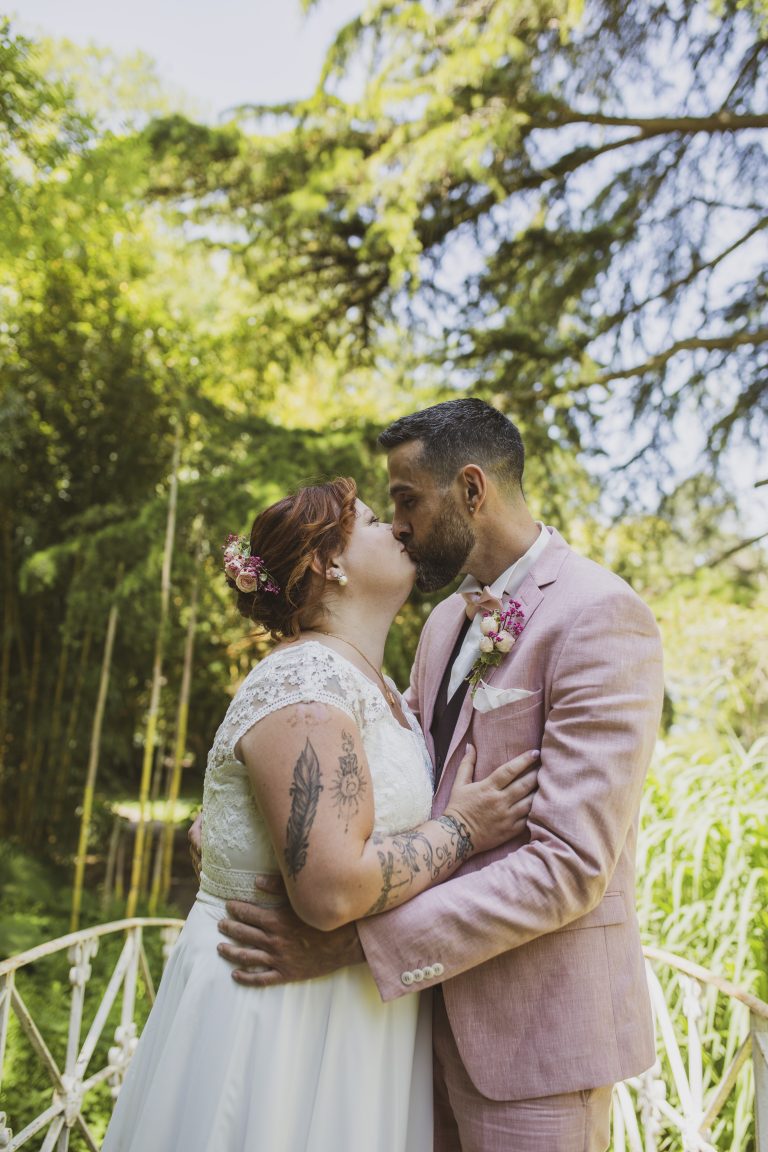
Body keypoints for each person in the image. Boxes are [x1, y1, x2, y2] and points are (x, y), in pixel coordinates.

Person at [214, 399, 665, 1152]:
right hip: (408, 1033)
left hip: (535, 1044)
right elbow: (392, 780)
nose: (397, 525)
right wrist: (248, 821)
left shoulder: (600, 615)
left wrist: (359, 946)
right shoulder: (442, 623)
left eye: (406, 500)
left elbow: (570, 865)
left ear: (471, 490)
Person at [101, 476, 539, 1152]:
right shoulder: (303, 678)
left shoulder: (372, 683)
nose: (397, 529)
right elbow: (332, 887)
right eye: (370, 520)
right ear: (327, 564)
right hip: (276, 1017)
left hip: (356, 1014)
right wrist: (463, 829)